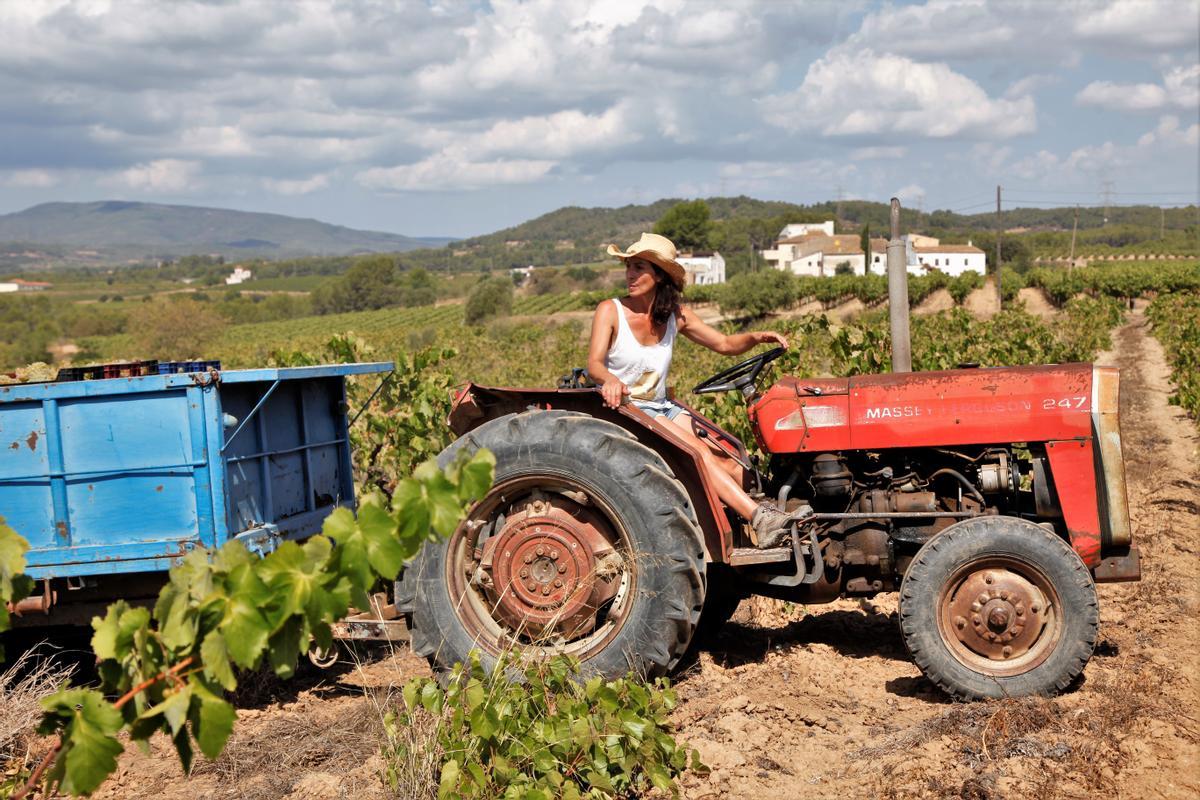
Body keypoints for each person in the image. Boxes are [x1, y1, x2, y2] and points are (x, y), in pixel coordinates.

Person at [586, 232, 796, 549]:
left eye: (638, 267)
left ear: (659, 275)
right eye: (629, 267)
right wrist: (610, 380)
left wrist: (755, 337)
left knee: (729, 458)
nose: (630, 275)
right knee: (695, 454)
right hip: (629, 409)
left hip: (662, 407)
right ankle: (759, 519)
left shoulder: (676, 316)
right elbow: (594, 364)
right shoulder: (610, 310)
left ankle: (768, 519)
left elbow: (724, 344)